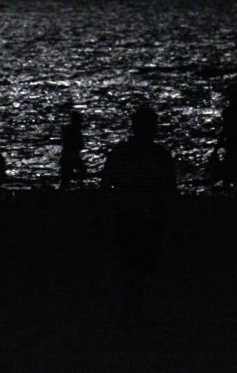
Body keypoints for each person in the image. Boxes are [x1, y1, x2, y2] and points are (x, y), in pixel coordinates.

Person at [100, 105, 175, 329]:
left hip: (128, 213)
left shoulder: (121, 152)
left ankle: (129, 310)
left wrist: (109, 210)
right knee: (141, 266)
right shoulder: (160, 154)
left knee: (131, 265)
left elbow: (106, 183)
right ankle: (133, 310)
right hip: (148, 214)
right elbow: (169, 187)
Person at [58, 111, 87, 189]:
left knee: (65, 179)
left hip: (67, 156)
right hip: (72, 156)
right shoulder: (75, 131)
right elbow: (80, 145)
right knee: (80, 171)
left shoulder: (67, 130)